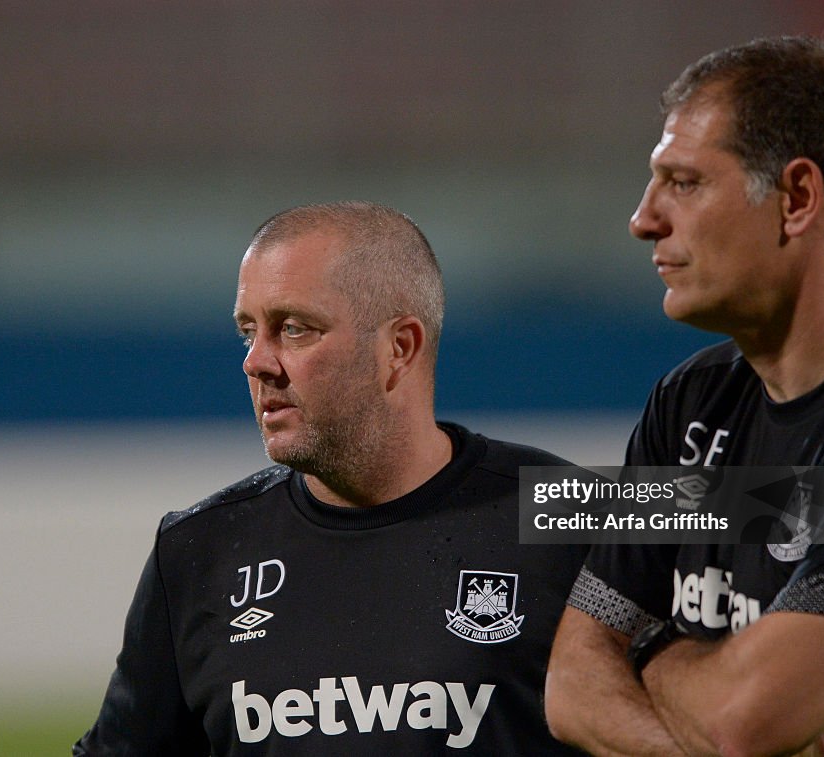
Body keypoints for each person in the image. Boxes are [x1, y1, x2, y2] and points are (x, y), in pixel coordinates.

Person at [74, 201, 588, 755]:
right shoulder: (196, 551)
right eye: (249, 331)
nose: (256, 362)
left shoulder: (579, 512)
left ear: (399, 348)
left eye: (294, 329)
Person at [545, 36, 824, 756]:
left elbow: (744, 721)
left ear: (797, 199)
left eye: (683, 182)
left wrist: (647, 645)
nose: (643, 219)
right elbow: (570, 682)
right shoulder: (686, 403)